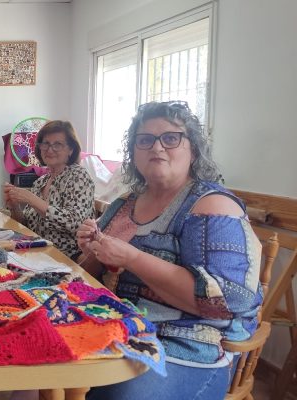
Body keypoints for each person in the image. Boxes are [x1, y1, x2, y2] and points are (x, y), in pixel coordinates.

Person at [76, 101, 262, 400]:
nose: (157, 148)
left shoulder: (212, 206)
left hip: (190, 348)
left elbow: (226, 303)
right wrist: (93, 251)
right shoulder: (125, 203)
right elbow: (87, 278)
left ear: (193, 149)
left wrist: (132, 258)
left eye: (171, 138)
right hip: (120, 328)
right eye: (145, 140)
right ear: (134, 152)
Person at [3, 120, 94, 259]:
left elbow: (75, 223)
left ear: (71, 149)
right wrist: (15, 207)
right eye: (45, 143)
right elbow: (27, 225)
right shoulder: (41, 181)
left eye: (57, 144)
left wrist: (31, 199)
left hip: (64, 257)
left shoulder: (79, 176)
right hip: (36, 252)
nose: (49, 149)